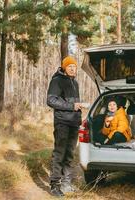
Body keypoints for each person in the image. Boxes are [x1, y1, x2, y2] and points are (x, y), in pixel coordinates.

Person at [47, 56, 82, 197]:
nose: (73, 69)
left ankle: (67, 183)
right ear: (64, 67)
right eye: (70, 67)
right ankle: (55, 185)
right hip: (62, 122)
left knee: (69, 154)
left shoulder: (75, 83)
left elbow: (74, 104)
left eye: (74, 67)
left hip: (74, 122)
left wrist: (78, 112)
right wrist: (71, 106)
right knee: (59, 154)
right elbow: (50, 100)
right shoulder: (57, 81)